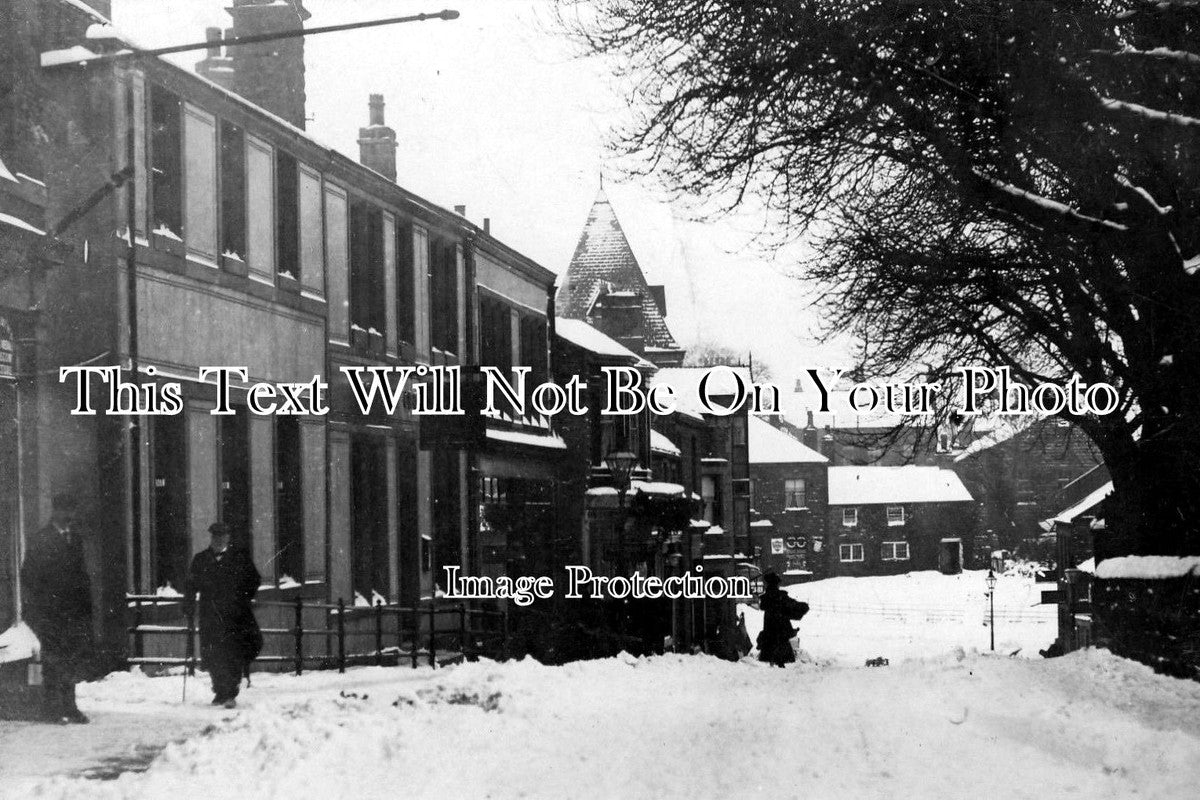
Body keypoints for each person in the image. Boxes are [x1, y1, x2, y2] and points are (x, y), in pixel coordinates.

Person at [21, 494, 95, 724]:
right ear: (55, 511)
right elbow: (29, 576)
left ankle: (70, 706)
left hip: (72, 613)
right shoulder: (41, 539)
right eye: (64, 510)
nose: (69, 516)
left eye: (71, 510)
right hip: (50, 613)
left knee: (71, 660)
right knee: (53, 661)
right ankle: (52, 709)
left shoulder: (75, 539)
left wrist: (85, 607)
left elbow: (81, 576)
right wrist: (39, 608)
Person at [185, 522, 262, 709]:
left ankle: (230, 691)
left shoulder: (240, 558)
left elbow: (254, 580)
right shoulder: (201, 559)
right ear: (211, 538)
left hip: (234, 615)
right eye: (215, 537)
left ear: (228, 538)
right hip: (210, 615)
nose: (219, 540)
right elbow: (190, 585)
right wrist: (188, 604)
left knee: (233, 652)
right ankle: (219, 690)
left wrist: (242, 598)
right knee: (212, 653)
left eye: (223, 536)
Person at [756, 572, 810, 667]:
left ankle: (773, 666)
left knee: (772, 653)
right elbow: (792, 606)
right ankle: (779, 668)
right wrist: (804, 606)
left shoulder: (766, 599)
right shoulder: (780, 597)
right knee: (781, 654)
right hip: (781, 632)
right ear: (776, 584)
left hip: (770, 632)